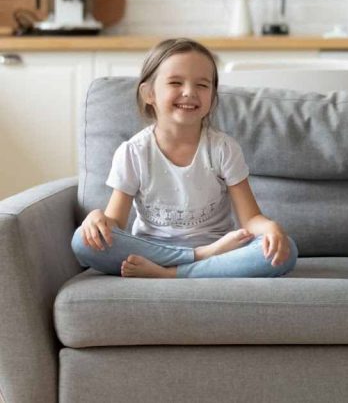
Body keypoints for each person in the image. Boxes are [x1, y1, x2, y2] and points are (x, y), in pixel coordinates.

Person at [71, 38, 297, 278]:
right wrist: (98, 219)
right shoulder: (133, 152)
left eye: (202, 85)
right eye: (176, 82)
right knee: (82, 242)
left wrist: (270, 227)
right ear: (149, 94)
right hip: (158, 250)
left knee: (286, 251)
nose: (189, 92)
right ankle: (198, 259)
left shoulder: (224, 148)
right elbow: (114, 222)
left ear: (212, 96)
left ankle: (172, 273)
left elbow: (250, 218)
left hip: (221, 250)